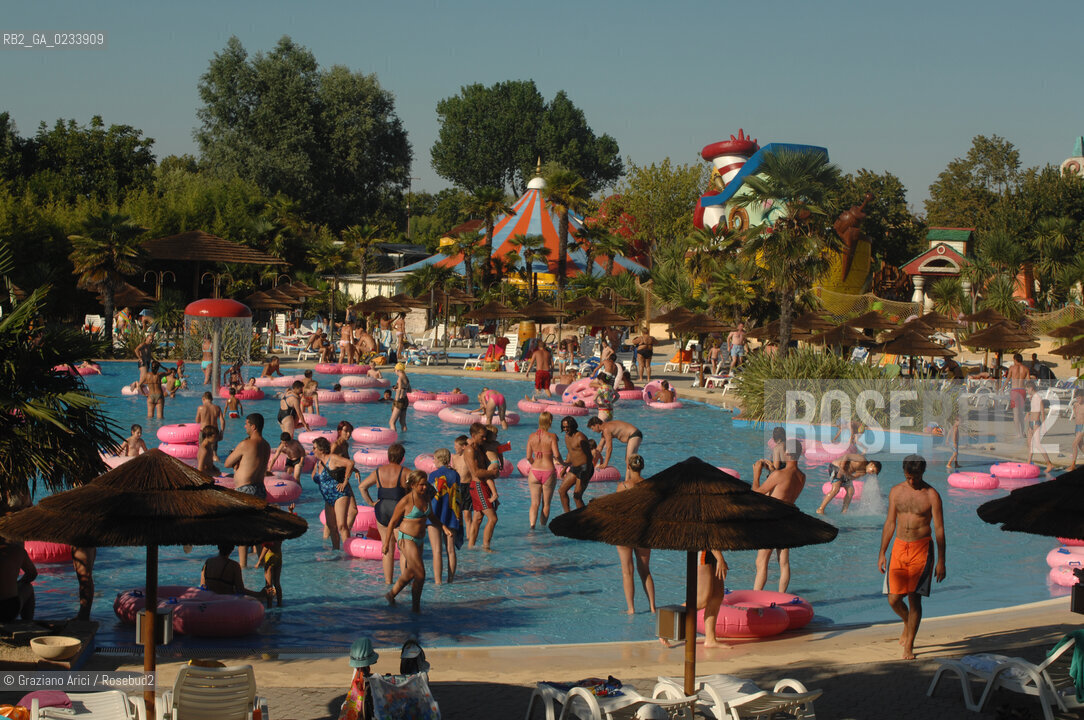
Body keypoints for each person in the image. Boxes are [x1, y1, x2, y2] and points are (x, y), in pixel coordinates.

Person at [879, 455, 946, 660]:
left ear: (922, 472)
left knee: (914, 599)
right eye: (908, 477)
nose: (912, 481)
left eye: (915, 477)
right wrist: (882, 552)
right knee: (893, 599)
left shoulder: (932, 495)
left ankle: (909, 646)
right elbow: (890, 522)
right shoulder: (896, 492)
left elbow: (939, 529)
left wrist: (942, 561)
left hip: (922, 549)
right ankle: (908, 623)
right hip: (899, 547)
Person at [384, 470, 448, 613]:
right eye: (421, 485)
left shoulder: (426, 497)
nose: (424, 487)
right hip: (407, 539)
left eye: (425, 484)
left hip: (419, 540)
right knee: (421, 574)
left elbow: (431, 516)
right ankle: (416, 609)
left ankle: (391, 595)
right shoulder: (405, 501)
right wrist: (386, 544)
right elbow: (392, 522)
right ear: (412, 485)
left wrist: (443, 527)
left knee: (411, 573)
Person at [753, 440, 806, 593]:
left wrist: (756, 475)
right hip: (788, 520)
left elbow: (756, 493)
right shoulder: (802, 476)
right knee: (783, 563)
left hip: (773, 521)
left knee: (761, 561)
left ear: (787, 454)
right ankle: (781, 596)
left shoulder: (779, 474)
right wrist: (772, 472)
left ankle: (756, 597)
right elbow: (783, 492)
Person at [224, 414, 272, 566]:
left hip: (245, 490)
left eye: (246, 424)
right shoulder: (266, 445)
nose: (244, 427)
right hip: (260, 489)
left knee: (242, 532)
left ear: (253, 426)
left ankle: (243, 567)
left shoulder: (246, 444)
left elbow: (227, 463)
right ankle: (260, 564)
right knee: (257, 531)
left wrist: (236, 462)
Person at [359, 444, 409, 585]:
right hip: (398, 509)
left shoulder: (378, 471)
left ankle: (388, 582)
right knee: (403, 548)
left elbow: (362, 486)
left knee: (387, 546)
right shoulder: (405, 472)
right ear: (402, 458)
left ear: (388, 456)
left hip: (381, 508)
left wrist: (371, 503)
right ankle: (403, 583)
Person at [616, 454, 655, 615]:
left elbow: (617, 510)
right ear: (642, 467)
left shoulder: (623, 487)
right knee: (645, 570)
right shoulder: (650, 486)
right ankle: (653, 606)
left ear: (628, 467)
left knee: (627, 571)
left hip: (625, 531)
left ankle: (631, 609)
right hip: (644, 531)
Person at [310, 437, 358, 552]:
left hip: (339, 494)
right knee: (332, 527)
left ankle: (348, 552)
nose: (313, 450)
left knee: (342, 525)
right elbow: (315, 478)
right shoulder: (317, 464)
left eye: (314, 448)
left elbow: (350, 463)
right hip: (328, 498)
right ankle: (336, 551)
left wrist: (345, 481)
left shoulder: (332, 459)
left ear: (321, 449)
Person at [426, 448, 462, 584]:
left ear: (440, 459)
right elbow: (458, 496)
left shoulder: (433, 475)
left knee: (436, 551)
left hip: (435, 514)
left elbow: (430, 496)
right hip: (451, 513)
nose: (433, 461)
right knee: (451, 550)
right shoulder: (455, 475)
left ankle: (438, 582)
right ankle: (450, 580)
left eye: (434, 458)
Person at [464, 423, 500, 550]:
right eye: (482, 436)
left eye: (486, 436)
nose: (485, 439)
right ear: (474, 435)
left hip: (483, 485)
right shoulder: (470, 450)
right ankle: (486, 547)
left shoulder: (479, 446)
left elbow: (497, 447)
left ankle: (471, 546)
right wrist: (492, 472)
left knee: (478, 518)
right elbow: (476, 472)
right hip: (478, 485)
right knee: (493, 518)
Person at [525, 412, 563, 529]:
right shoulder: (552, 436)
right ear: (550, 421)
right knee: (546, 504)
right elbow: (556, 454)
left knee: (534, 503)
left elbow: (528, 457)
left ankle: (532, 526)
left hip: (534, 471)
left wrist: (534, 464)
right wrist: (564, 463)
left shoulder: (531, 436)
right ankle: (542, 528)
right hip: (548, 471)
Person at [816, 454, 881, 515]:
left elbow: (853, 477)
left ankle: (844, 512)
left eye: (873, 473)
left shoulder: (863, 472)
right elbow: (847, 456)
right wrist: (841, 468)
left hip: (844, 473)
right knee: (835, 489)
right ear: (871, 464)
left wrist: (848, 476)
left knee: (851, 491)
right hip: (836, 467)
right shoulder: (862, 459)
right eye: (872, 471)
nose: (871, 473)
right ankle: (820, 509)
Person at [200, 544, 266, 601]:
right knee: (259, 600)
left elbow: (203, 585)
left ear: (218, 547)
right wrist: (259, 594)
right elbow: (240, 589)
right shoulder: (234, 565)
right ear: (232, 549)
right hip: (227, 599)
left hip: (209, 598)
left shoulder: (208, 562)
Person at [558, 417, 594, 512]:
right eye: (564, 427)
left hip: (585, 468)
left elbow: (589, 457)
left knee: (577, 496)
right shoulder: (566, 437)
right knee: (562, 491)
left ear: (573, 426)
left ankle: (584, 518)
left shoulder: (580, 438)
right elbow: (570, 453)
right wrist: (564, 468)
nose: (565, 429)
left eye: (567, 427)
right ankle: (567, 515)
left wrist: (587, 472)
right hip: (574, 467)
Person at [0, 535, 36, 622]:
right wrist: (18, 583)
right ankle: (27, 624)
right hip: (6, 610)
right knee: (28, 587)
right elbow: (32, 574)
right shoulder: (17, 550)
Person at [698, 550, 728, 648]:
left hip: (714, 553)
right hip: (704, 551)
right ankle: (666, 625)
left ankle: (710, 640)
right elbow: (709, 537)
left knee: (717, 596)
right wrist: (720, 559)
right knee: (702, 600)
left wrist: (720, 558)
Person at [1027, 398, 1056, 473]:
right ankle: (1029, 462)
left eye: (1028, 390)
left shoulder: (1039, 400)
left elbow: (1042, 413)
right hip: (1031, 423)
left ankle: (1049, 463)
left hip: (1036, 423)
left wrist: (1044, 426)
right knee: (1030, 445)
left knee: (1038, 445)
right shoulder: (1032, 400)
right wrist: (1028, 413)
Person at [1007, 353, 1030, 439]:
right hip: (1023, 391)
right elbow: (1028, 381)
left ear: (1015, 360)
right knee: (1021, 413)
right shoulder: (1026, 369)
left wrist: (1002, 388)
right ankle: (1023, 432)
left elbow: (1008, 378)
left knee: (1015, 414)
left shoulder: (1012, 368)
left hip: (1015, 391)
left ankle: (1018, 433)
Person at [257, 539, 283, 607]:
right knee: (277, 583)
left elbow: (266, 548)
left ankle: (269, 605)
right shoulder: (280, 534)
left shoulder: (270, 535)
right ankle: (279, 604)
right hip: (279, 556)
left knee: (269, 584)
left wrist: (259, 561)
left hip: (270, 557)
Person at [388, 363, 411, 432]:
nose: (394, 372)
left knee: (391, 422)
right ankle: (404, 437)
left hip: (399, 401)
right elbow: (409, 390)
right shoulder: (406, 378)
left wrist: (396, 400)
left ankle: (394, 441)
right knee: (402, 423)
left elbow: (400, 390)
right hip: (405, 400)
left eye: (394, 370)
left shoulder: (400, 378)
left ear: (397, 370)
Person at [1070, 390, 1084, 471]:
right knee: (1080, 445)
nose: (1078, 399)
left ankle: (1073, 465)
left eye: (1079, 398)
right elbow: (1076, 415)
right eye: (1077, 398)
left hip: (1083, 427)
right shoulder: (1075, 405)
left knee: (1074, 444)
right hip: (1077, 426)